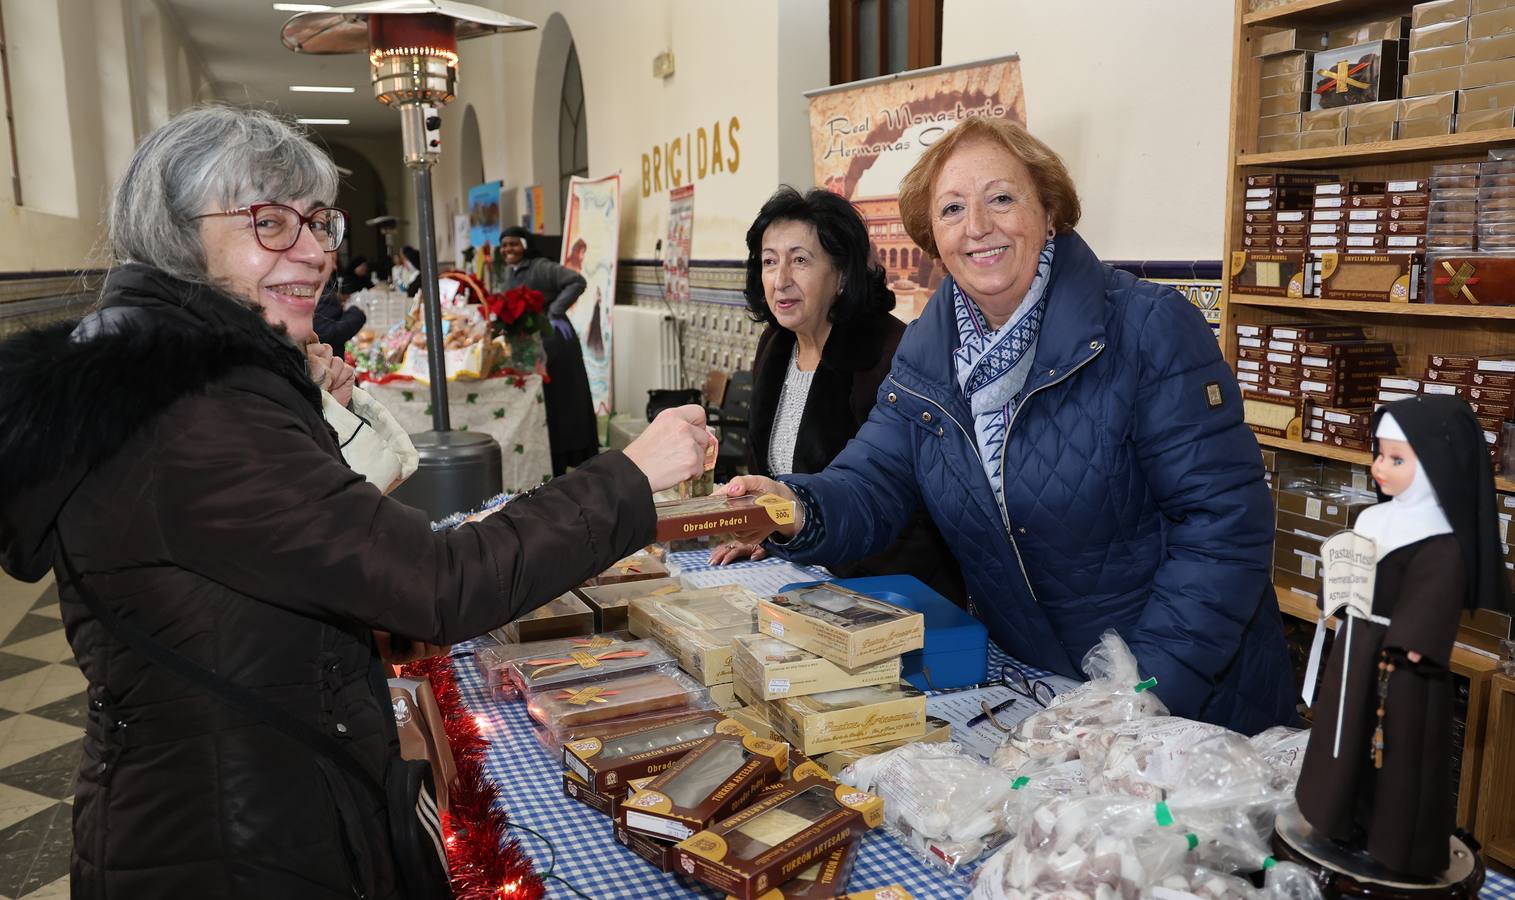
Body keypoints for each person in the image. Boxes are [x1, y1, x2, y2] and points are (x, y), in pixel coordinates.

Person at [0, 106, 711, 899]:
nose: (312, 254)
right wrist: (630, 473)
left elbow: (265, 569)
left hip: (228, 798)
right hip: (234, 838)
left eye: (317, 223)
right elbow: (438, 583)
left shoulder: (162, 380)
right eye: (268, 223)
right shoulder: (193, 409)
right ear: (177, 236)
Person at [727, 116, 1294, 735]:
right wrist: (795, 505)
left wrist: (1142, 689)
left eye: (1001, 198)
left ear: (1050, 211)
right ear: (931, 236)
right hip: (1042, 695)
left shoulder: (1148, 328)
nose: (977, 228)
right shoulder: (927, 353)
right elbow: (873, 478)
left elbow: (1223, 526)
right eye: (951, 209)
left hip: (1187, 704)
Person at [708, 186, 964, 604]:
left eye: (800, 261)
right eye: (770, 262)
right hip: (802, 572)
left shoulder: (892, 355)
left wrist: (832, 571)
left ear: (842, 274)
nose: (781, 279)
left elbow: (908, 509)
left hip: (890, 588)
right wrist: (769, 532)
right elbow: (776, 481)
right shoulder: (775, 345)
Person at [1295, 396, 1509, 877]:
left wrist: (1412, 640)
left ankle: (1395, 846)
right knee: (1341, 738)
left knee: (1396, 754)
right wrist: (1334, 590)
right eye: (1379, 454)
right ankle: (1336, 822)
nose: (1379, 468)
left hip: (1402, 666)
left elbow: (1432, 597)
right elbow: (1350, 566)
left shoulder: (1441, 539)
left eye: (1396, 459)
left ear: (1434, 464)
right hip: (1355, 648)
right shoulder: (1374, 519)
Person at [498, 225, 600, 474]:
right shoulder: (511, 272)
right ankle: (553, 455)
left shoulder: (540, 267)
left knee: (563, 400)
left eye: (513, 244)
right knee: (550, 401)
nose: (507, 249)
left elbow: (576, 281)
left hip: (554, 341)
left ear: (525, 245)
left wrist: (554, 310)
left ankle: (566, 455)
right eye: (504, 245)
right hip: (533, 341)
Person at [312, 273, 366, 359]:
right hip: (326, 360)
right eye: (332, 259)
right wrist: (357, 314)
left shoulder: (322, 288)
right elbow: (327, 333)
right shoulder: (320, 291)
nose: (334, 266)